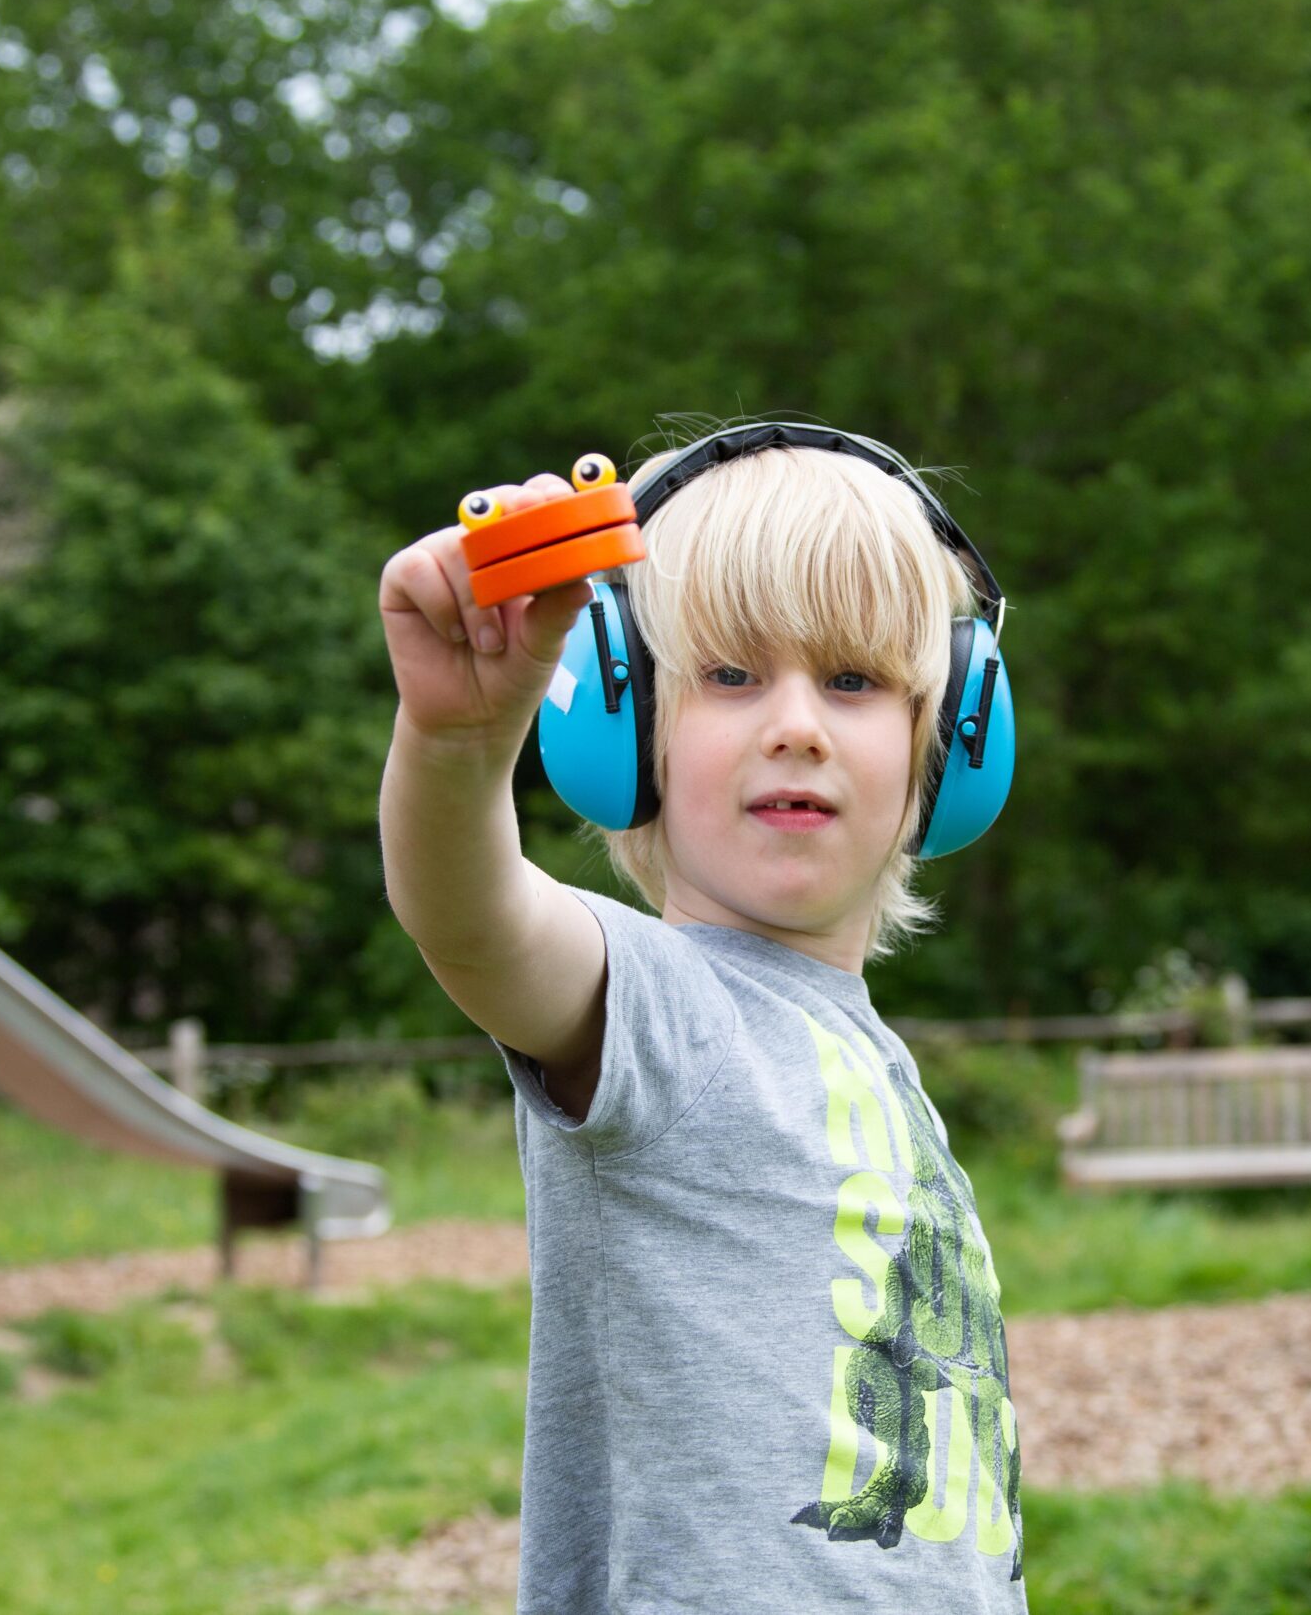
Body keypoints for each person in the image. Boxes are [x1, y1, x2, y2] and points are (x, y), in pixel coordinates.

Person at [377, 416, 1027, 1612]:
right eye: (729, 676)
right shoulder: (667, 1013)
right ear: (620, 733)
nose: (796, 723)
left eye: (853, 680)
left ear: (950, 749)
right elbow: (472, 921)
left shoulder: (868, 1060)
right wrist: (459, 742)